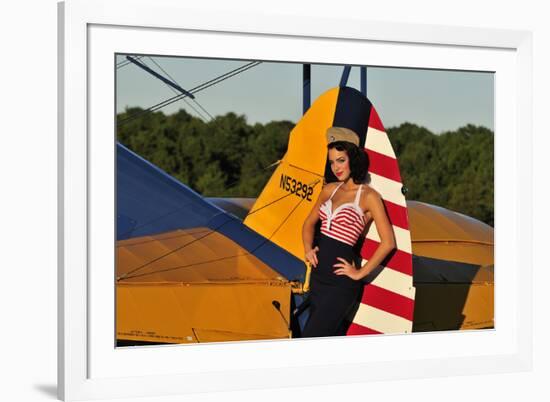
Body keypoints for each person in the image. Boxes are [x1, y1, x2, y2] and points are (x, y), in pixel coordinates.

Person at [301, 126, 396, 337]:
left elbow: (388, 242)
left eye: (341, 160)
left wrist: (360, 273)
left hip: (340, 286)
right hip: (318, 279)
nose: (336, 167)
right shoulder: (329, 189)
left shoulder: (369, 196)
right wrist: (308, 249)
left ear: (353, 158)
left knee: (310, 340)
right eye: (332, 162)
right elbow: (308, 224)